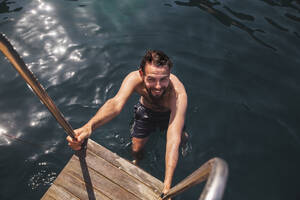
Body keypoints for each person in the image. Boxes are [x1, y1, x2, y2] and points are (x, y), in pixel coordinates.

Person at [66, 50, 188, 197]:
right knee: (136, 150)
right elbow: (115, 104)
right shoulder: (133, 79)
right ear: (142, 74)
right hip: (146, 112)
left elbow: (173, 137)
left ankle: (184, 142)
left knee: (181, 137)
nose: (157, 86)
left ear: (169, 75)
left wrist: (167, 186)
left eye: (163, 79)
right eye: (151, 79)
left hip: (169, 114)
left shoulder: (178, 94)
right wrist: (88, 127)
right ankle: (136, 164)